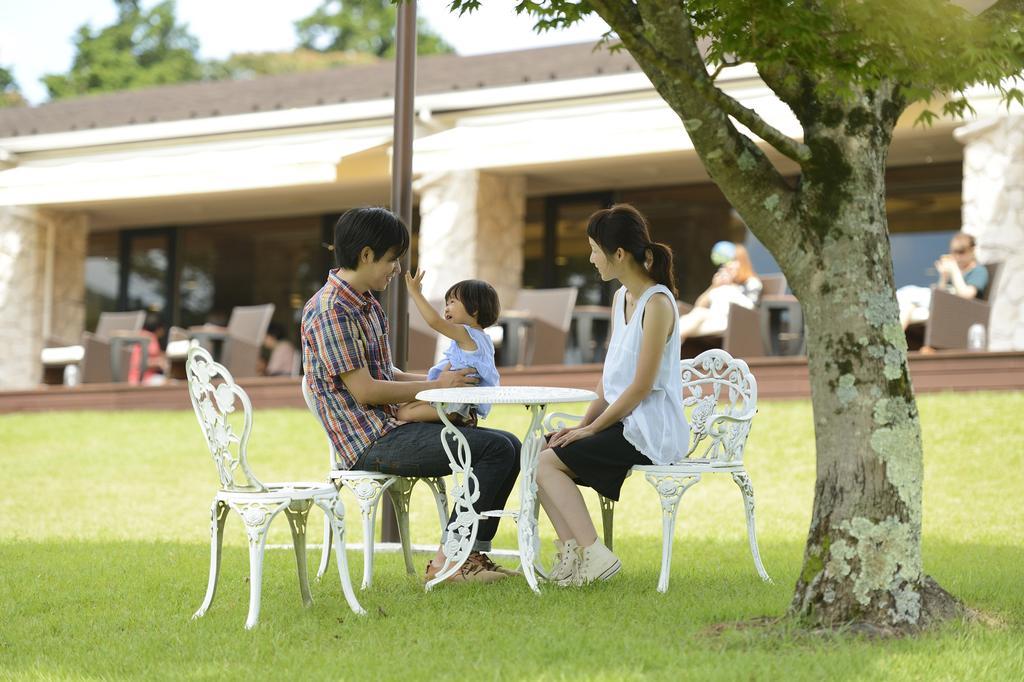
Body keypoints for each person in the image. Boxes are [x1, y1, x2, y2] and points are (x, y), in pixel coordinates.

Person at [301, 206, 521, 584]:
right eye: (392, 259)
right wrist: (437, 386)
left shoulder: (366, 304)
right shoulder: (331, 310)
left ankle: (468, 555)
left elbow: (386, 374)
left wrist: (445, 380)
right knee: (496, 450)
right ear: (366, 254)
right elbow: (366, 390)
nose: (397, 269)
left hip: (389, 426)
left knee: (510, 444)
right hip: (369, 440)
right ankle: (451, 563)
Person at [536, 203, 688, 586]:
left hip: (650, 429)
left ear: (618, 254)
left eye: (593, 248)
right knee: (538, 452)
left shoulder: (657, 304)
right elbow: (611, 377)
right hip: (622, 421)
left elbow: (640, 385)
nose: (590, 258)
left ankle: (595, 555)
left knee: (546, 464)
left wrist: (590, 431)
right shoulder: (622, 298)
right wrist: (583, 424)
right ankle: (573, 556)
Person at [397, 273, 501, 427]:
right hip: (455, 396)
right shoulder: (481, 338)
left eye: (452, 302)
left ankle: (456, 416)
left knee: (403, 413)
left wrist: (415, 293)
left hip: (456, 401)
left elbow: (434, 322)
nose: (446, 308)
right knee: (403, 407)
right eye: (446, 303)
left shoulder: (467, 334)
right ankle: (457, 416)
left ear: (474, 309)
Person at [897, 232, 989, 330]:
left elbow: (966, 296)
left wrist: (954, 270)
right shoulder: (955, 271)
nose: (957, 257)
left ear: (972, 250)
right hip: (942, 303)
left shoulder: (978, 271)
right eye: (954, 252)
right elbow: (940, 294)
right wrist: (944, 276)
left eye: (961, 252)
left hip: (957, 308)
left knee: (908, 292)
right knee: (907, 307)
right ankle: (894, 343)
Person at [678, 242, 762, 343]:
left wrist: (730, 289)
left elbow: (751, 309)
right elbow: (699, 305)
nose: (728, 265)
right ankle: (672, 340)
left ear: (742, 262)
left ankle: (669, 341)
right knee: (696, 316)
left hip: (735, 325)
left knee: (687, 325)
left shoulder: (751, 283)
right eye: (727, 261)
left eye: (733, 260)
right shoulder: (723, 284)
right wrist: (714, 286)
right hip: (712, 320)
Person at [127, 311, 166, 385]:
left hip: (133, 378)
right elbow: (142, 362)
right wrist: (160, 363)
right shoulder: (150, 338)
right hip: (143, 379)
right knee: (171, 383)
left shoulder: (141, 334)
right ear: (158, 328)